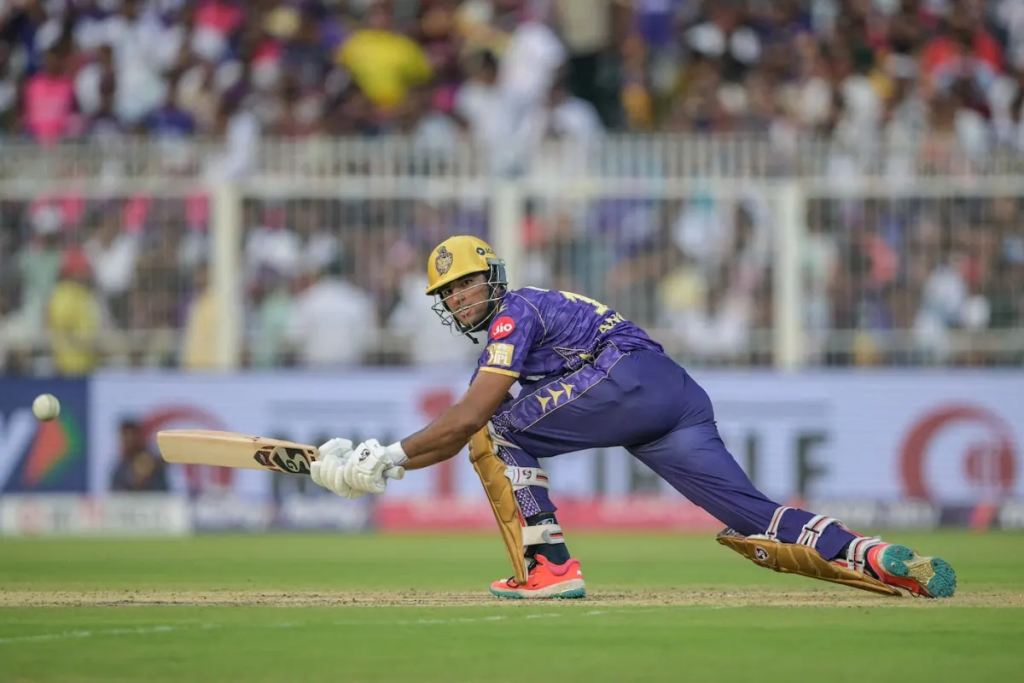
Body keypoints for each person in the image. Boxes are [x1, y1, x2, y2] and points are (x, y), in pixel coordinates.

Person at [310, 236, 957, 601]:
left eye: (468, 283)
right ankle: (877, 555)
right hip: (671, 394)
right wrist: (379, 469)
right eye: (449, 292)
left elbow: (471, 418)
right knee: (751, 517)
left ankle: (551, 567)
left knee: (498, 427)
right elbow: (456, 435)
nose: (459, 297)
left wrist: (388, 454)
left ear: (495, 278)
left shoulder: (514, 313)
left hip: (623, 377)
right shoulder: (517, 321)